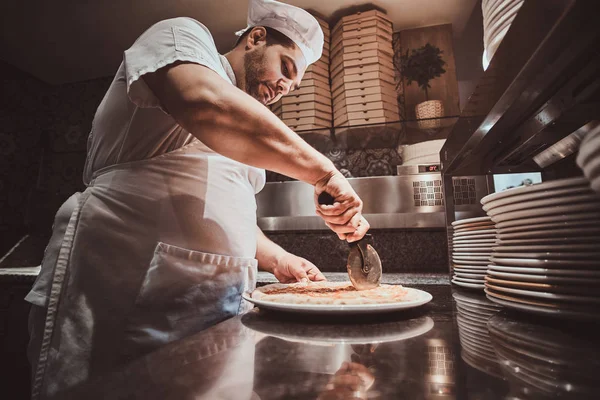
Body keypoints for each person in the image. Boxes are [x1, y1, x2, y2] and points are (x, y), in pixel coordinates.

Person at [24, 0, 370, 398]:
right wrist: (323, 172)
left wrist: (277, 259)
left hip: (215, 313)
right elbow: (204, 103)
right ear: (256, 38)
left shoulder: (243, 129)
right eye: (285, 69)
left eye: (291, 87)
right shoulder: (181, 36)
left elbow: (221, 207)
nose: (282, 89)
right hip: (124, 289)